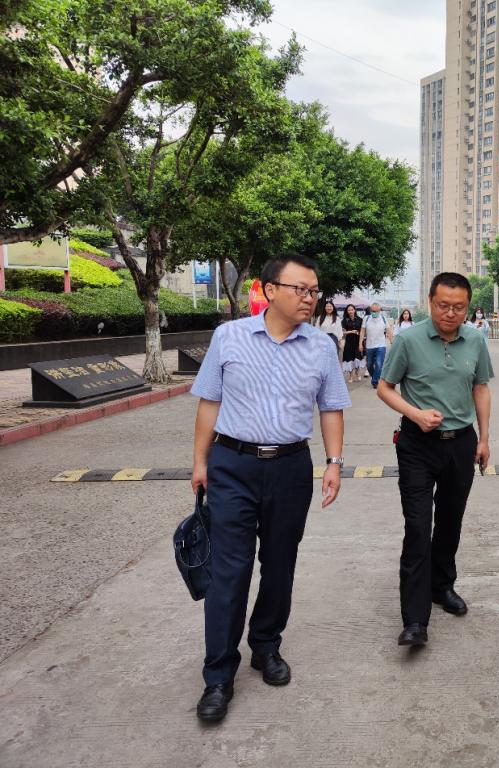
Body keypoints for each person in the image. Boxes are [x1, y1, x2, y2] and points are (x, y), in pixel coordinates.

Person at [189, 254, 350, 722]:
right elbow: (209, 401)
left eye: (314, 291)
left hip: (290, 467)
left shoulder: (321, 346)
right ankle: (218, 674)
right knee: (230, 570)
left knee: (280, 564)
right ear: (271, 289)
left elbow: (331, 407)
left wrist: (334, 463)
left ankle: (265, 645)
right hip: (232, 464)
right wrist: (199, 462)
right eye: (301, 289)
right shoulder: (229, 336)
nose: (309, 298)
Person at [377, 272, 494, 647]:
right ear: (430, 302)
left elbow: (481, 387)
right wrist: (414, 414)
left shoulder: (475, 339)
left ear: (468, 307)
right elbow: (384, 387)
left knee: (449, 520)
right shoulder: (408, 339)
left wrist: (484, 438)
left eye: (459, 307)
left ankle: (442, 586)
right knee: (417, 526)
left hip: (461, 443)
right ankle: (414, 620)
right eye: (443, 305)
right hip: (417, 444)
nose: (450, 313)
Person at [359, 302, 392, 388]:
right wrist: (360, 343)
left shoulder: (383, 319)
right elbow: (362, 331)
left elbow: (388, 331)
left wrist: (392, 343)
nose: (374, 312)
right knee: (369, 365)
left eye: (376, 311)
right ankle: (376, 377)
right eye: (372, 311)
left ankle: (375, 381)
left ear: (379, 310)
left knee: (379, 364)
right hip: (369, 346)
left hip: (381, 345)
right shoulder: (366, 319)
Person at [340, 304, 363, 383]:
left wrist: (361, 338)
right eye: (349, 310)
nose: (350, 311)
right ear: (347, 311)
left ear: (354, 310)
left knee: (357, 358)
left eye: (352, 310)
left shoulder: (360, 320)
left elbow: (363, 331)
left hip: (358, 341)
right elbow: (343, 332)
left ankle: (357, 372)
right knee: (349, 358)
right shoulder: (344, 320)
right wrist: (351, 331)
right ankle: (350, 376)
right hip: (349, 342)